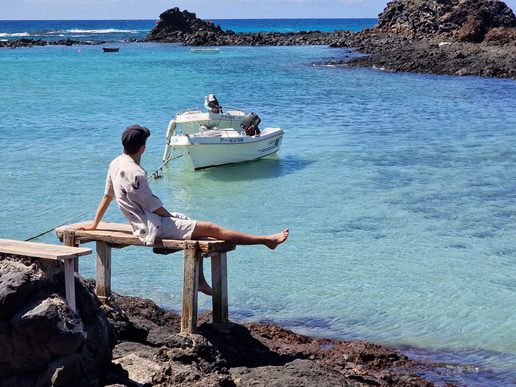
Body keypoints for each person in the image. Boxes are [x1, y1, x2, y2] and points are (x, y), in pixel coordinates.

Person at [77, 124, 289, 296]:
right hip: (151, 227)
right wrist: (172, 218)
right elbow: (156, 207)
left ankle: (200, 281)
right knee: (212, 228)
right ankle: (266, 240)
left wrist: (95, 224)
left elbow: (108, 196)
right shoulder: (136, 173)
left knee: (193, 226)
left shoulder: (115, 163)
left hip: (143, 223)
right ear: (143, 147)